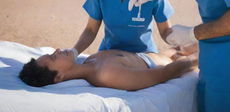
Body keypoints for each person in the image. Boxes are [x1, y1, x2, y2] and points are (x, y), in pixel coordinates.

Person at [19, 47, 197, 90]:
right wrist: (194, 59)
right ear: (58, 77)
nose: (57, 50)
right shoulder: (107, 75)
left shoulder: (91, 60)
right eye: (52, 57)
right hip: (170, 63)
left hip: (164, 53)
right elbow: (164, 73)